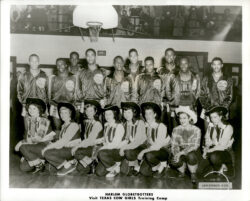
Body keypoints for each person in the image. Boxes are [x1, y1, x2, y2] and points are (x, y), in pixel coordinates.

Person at [15, 98, 55, 173]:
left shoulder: (44, 121)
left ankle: (43, 162)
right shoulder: (30, 120)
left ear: (39, 110)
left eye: (34, 108)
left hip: (44, 147)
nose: (31, 110)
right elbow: (28, 138)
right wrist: (25, 155)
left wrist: (22, 142)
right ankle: (40, 163)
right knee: (23, 168)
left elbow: (38, 139)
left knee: (22, 147)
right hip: (34, 147)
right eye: (30, 108)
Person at [42, 102, 81, 176]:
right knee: (49, 167)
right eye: (61, 113)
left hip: (73, 150)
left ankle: (68, 166)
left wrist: (48, 147)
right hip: (66, 149)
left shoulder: (74, 125)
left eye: (65, 113)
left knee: (47, 153)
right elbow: (60, 142)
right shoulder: (63, 125)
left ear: (70, 114)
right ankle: (67, 163)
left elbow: (63, 142)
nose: (62, 115)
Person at [17, 54, 48, 134]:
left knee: (41, 132)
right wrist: (24, 105)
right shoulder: (23, 76)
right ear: (29, 62)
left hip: (41, 107)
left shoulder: (44, 75)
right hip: (28, 107)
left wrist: (46, 106)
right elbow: (19, 92)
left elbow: (48, 92)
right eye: (32, 61)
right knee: (28, 131)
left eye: (36, 61)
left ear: (39, 62)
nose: (34, 63)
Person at [200, 57, 233, 129]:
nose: (216, 66)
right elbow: (202, 95)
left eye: (218, 64)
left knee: (220, 134)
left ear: (222, 65)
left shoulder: (228, 79)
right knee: (208, 134)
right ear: (211, 65)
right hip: (208, 109)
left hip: (222, 110)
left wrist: (221, 109)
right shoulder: (206, 78)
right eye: (214, 64)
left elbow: (229, 96)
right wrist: (208, 108)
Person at [139, 102, 171, 177]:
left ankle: (162, 167)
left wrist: (143, 151)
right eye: (146, 114)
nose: (147, 116)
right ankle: (157, 163)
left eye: (150, 113)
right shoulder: (146, 125)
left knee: (149, 155)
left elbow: (157, 146)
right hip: (153, 151)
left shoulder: (161, 126)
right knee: (144, 172)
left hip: (164, 150)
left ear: (155, 114)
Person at [71, 100, 103, 174]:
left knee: (76, 151)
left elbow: (90, 140)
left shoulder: (97, 124)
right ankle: (91, 163)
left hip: (96, 147)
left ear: (95, 112)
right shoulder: (87, 122)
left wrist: (77, 146)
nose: (88, 113)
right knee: (80, 169)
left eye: (91, 111)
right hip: (89, 146)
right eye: (87, 110)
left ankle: (94, 161)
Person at [171, 106, 201, 183]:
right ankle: (182, 171)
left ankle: (193, 173)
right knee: (173, 161)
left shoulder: (196, 130)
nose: (182, 120)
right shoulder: (176, 129)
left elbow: (195, 145)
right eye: (180, 118)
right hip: (180, 150)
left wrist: (181, 153)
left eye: (184, 118)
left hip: (192, 151)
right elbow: (174, 145)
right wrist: (176, 154)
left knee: (190, 156)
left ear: (189, 118)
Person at [48, 58, 77, 138]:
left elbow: (77, 93)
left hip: (69, 106)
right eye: (58, 64)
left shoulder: (73, 77)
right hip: (56, 106)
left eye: (62, 64)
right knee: (57, 129)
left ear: (66, 65)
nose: (60, 66)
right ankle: (57, 147)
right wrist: (52, 106)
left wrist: (74, 106)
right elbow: (49, 95)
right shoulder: (52, 78)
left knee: (69, 130)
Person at [202, 106, 234, 177]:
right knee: (201, 169)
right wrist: (206, 148)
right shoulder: (211, 126)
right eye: (211, 117)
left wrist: (209, 150)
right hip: (214, 149)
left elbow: (222, 146)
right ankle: (218, 167)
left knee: (214, 156)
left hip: (226, 151)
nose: (213, 120)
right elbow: (207, 139)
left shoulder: (228, 127)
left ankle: (225, 166)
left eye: (215, 117)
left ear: (220, 117)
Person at [95, 105, 125, 178]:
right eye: (106, 114)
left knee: (101, 152)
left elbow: (114, 144)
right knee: (99, 172)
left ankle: (116, 167)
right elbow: (105, 138)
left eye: (109, 114)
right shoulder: (106, 125)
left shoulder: (119, 126)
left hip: (117, 152)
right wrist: (95, 141)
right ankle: (112, 164)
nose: (107, 116)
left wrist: (101, 148)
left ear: (114, 114)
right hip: (108, 152)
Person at [119, 102, 146, 176]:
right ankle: (130, 163)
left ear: (134, 113)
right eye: (124, 112)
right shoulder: (125, 124)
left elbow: (137, 142)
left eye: (129, 112)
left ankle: (137, 165)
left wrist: (123, 148)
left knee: (128, 152)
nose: (126, 114)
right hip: (131, 147)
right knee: (123, 172)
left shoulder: (140, 123)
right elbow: (126, 139)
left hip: (141, 147)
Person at [158, 48, 179, 134]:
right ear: (165, 56)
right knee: (162, 127)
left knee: (175, 127)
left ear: (174, 56)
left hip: (176, 104)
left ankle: (175, 145)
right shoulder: (159, 71)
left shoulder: (179, 70)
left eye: (171, 55)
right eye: (167, 55)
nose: (169, 57)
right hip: (163, 104)